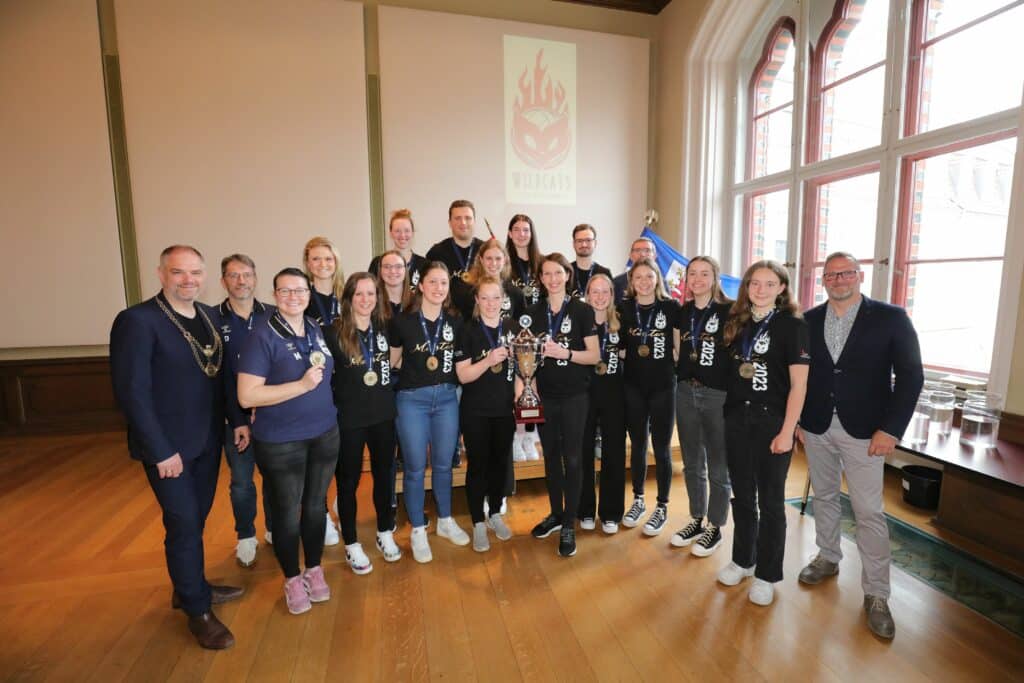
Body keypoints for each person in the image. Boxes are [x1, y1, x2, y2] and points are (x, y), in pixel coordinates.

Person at [110, 245, 242, 650]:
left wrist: (236, 421)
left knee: (196, 519)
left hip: (205, 440)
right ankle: (198, 611)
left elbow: (219, 378)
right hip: (168, 450)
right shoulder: (137, 321)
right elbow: (132, 393)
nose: (188, 280)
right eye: (179, 272)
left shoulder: (206, 317)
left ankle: (188, 587)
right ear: (161, 273)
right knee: (184, 522)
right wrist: (160, 450)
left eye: (195, 273)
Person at [797, 252, 923, 639]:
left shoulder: (891, 317)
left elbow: (911, 376)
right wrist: (799, 420)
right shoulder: (808, 320)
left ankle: (877, 594)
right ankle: (828, 556)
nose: (838, 280)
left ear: (860, 275)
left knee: (869, 512)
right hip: (817, 426)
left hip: (866, 432)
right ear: (822, 280)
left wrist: (891, 429)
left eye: (846, 273)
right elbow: (798, 374)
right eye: (831, 274)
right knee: (825, 497)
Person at [237, 268, 339, 616]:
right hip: (282, 442)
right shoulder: (261, 336)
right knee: (286, 513)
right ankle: (292, 577)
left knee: (314, 508)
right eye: (286, 290)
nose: (294, 296)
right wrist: (300, 387)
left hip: (324, 433)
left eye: (300, 290)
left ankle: (313, 567)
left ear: (310, 294)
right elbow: (247, 395)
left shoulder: (313, 329)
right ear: (275, 294)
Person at [716, 260, 808, 608]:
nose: (761, 290)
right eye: (755, 283)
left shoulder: (792, 326)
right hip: (738, 419)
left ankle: (767, 574)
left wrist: (788, 431)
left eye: (770, 284)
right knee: (741, 495)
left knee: (770, 501)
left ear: (782, 288)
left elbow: (799, 385)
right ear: (747, 286)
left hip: (773, 424)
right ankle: (743, 559)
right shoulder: (736, 322)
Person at [389, 261, 470, 562]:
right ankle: (419, 529)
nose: (438, 288)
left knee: (443, 466)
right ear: (420, 286)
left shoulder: (455, 322)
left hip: (447, 400)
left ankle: (446, 521)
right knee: (413, 467)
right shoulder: (403, 323)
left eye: (444, 283)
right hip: (412, 401)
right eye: (432, 282)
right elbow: (393, 361)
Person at [520, 253, 600, 557]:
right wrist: (530, 387)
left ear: (567, 275)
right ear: (540, 278)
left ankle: (569, 522)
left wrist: (564, 353)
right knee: (551, 458)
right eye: (547, 274)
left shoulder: (581, 311)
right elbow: (526, 359)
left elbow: (593, 356)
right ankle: (555, 513)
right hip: (546, 397)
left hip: (575, 397)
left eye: (558, 273)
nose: (553, 279)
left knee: (574, 459)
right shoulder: (532, 313)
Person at [326, 273, 402, 572]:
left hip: (383, 414)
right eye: (359, 294)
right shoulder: (333, 333)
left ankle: (385, 532)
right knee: (348, 481)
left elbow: (395, 360)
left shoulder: (384, 327)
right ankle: (352, 544)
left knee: (385, 476)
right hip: (350, 419)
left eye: (371, 294)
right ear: (348, 298)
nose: (366, 299)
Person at [214, 254, 275, 567]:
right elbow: (219, 379)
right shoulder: (211, 319)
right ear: (223, 280)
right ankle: (246, 535)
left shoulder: (274, 315)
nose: (241, 281)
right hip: (234, 420)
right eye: (234, 275)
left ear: (255, 278)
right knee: (241, 482)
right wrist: (238, 418)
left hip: (271, 418)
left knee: (275, 478)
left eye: (247, 274)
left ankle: (274, 528)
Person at [671, 257, 734, 556]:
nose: (697, 278)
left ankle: (716, 526)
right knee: (693, 462)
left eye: (704, 273)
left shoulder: (730, 311)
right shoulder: (683, 313)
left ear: (715, 277)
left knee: (719, 465)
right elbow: (677, 351)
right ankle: (696, 518)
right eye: (692, 273)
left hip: (717, 395)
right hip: (685, 391)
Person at [619, 258, 680, 536]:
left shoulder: (670, 308)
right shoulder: (624, 309)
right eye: (638, 277)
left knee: (662, 447)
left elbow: (678, 347)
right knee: (639, 445)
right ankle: (639, 499)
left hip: (663, 387)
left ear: (657, 278)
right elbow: (619, 349)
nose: (643, 282)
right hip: (633, 387)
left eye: (648, 276)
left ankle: (662, 506)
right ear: (632, 282)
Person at [455, 276, 516, 551]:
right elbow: (463, 375)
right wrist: (488, 360)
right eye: (485, 298)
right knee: (478, 466)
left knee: (500, 464)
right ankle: (478, 521)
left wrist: (522, 392)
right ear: (477, 300)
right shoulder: (467, 331)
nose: (491, 303)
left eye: (496, 298)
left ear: (503, 300)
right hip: (476, 410)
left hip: (505, 410)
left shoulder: (514, 329)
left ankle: (494, 514)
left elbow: (523, 369)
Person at [577, 273, 627, 534]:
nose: (599, 296)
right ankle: (585, 509)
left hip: (613, 392)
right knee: (583, 451)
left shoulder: (620, 320)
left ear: (612, 294)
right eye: (594, 291)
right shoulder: (578, 320)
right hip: (584, 392)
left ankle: (610, 513)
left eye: (604, 291)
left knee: (613, 453)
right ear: (587, 294)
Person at [302, 236, 343, 545]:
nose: (322, 264)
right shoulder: (301, 299)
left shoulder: (347, 295)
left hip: (348, 385)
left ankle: (343, 504)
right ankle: (322, 514)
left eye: (327, 259)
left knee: (346, 451)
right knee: (320, 456)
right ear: (307, 264)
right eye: (316, 259)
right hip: (316, 387)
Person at [505, 214, 544, 460]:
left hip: (538, 334)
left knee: (534, 386)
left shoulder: (541, 263)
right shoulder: (505, 263)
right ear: (509, 233)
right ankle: (516, 437)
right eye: (517, 229)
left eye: (526, 230)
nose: (521, 234)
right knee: (517, 386)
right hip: (514, 335)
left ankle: (530, 437)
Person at [425, 200, 484, 310]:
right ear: (450, 223)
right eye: (457, 218)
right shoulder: (436, 252)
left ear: (474, 221)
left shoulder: (486, 251)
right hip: (446, 318)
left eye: (468, 218)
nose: (463, 222)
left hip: (480, 318)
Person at [455, 238, 526, 324]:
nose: (494, 263)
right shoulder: (468, 291)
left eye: (498, 258)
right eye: (489, 258)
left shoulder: (516, 293)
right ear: (481, 260)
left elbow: (521, 327)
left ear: (505, 260)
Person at [369, 208, 425, 291]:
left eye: (407, 231)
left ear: (412, 233)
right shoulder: (377, 263)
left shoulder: (424, 265)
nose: (402, 235)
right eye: (397, 231)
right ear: (391, 233)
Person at [569, 223, 612, 300]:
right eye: (579, 241)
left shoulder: (605, 273)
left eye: (588, 240)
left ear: (595, 243)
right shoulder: (566, 272)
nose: (584, 244)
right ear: (574, 244)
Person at [613, 237, 656, 303]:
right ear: (631, 256)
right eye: (637, 250)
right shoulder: (616, 283)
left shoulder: (662, 283)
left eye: (647, 250)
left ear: (654, 256)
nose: (642, 254)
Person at [378, 249, 413, 319]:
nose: (393, 271)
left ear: (405, 270)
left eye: (398, 266)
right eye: (387, 267)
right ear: (380, 270)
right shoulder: (372, 302)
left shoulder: (417, 302)